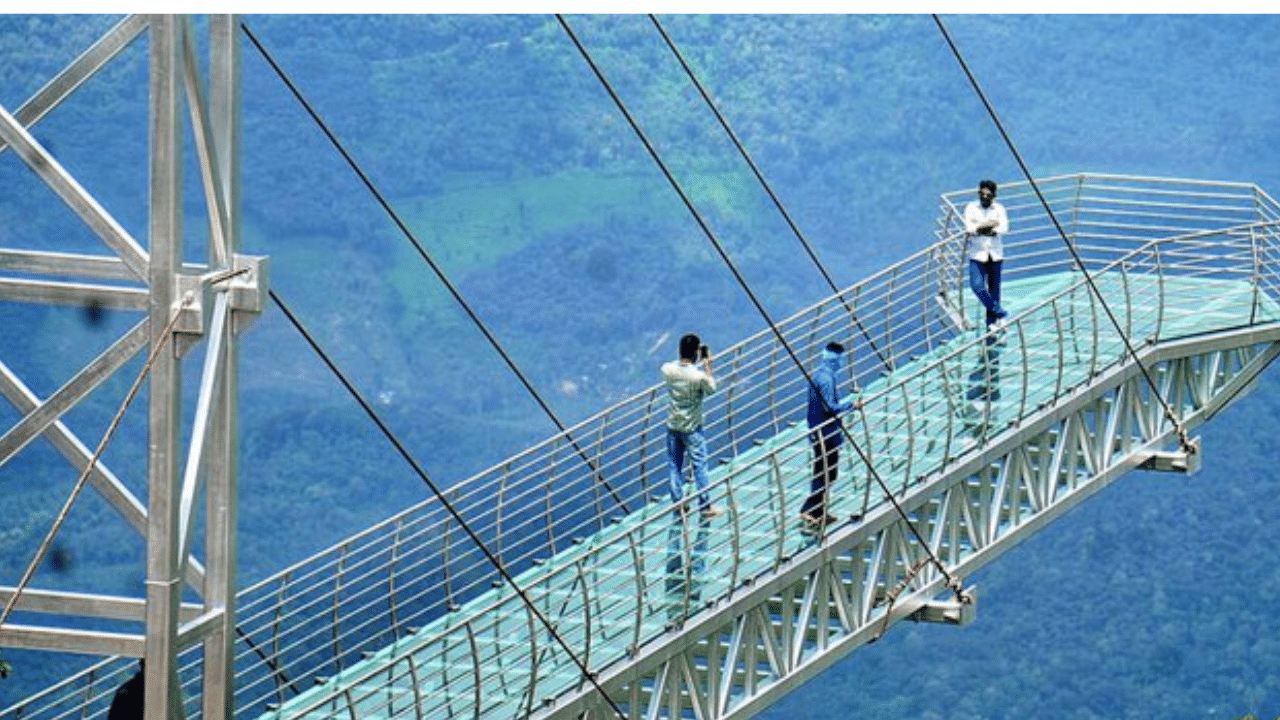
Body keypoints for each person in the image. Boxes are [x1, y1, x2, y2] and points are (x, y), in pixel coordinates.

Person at [661, 333, 723, 519]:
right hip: (692, 429)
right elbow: (711, 388)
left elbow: (670, 366)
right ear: (696, 352)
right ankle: (705, 506)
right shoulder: (698, 377)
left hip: (673, 426)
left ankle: (678, 504)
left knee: (674, 466)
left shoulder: (668, 370)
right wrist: (707, 365)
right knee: (699, 466)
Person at [800, 342, 859, 530]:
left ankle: (818, 511)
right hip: (826, 433)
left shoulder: (820, 375)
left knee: (823, 470)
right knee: (827, 472)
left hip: (818, 431)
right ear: (836, 359)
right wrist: (851, 405)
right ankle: (810, 509)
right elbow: (830, 407)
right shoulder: (826, 379)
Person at [963, 179, 1010, 331]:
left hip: (995, 253)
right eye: (981, 194)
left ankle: (991, 323)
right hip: (977, 253)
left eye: (988, 195)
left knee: (994, 288)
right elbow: (970, 227)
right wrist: (986, 226)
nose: (984, 197)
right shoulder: (971, 208)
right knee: (977, 286)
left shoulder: (999, 209)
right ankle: (1000, 313)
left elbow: (1003, 227)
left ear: (993, 196)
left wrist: (988, 229)